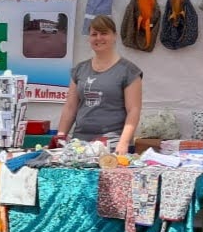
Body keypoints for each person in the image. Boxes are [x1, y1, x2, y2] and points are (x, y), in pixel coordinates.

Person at [55, 15, 143, 153]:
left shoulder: (129, 71)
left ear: (115, 36)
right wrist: (60, 136)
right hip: (79, 143)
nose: (98, 38)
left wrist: (123, 143)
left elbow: (134, 110)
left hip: (112, 142)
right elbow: (70, 107)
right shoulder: (80, 69)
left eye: (104, 33)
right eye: (94, 34)